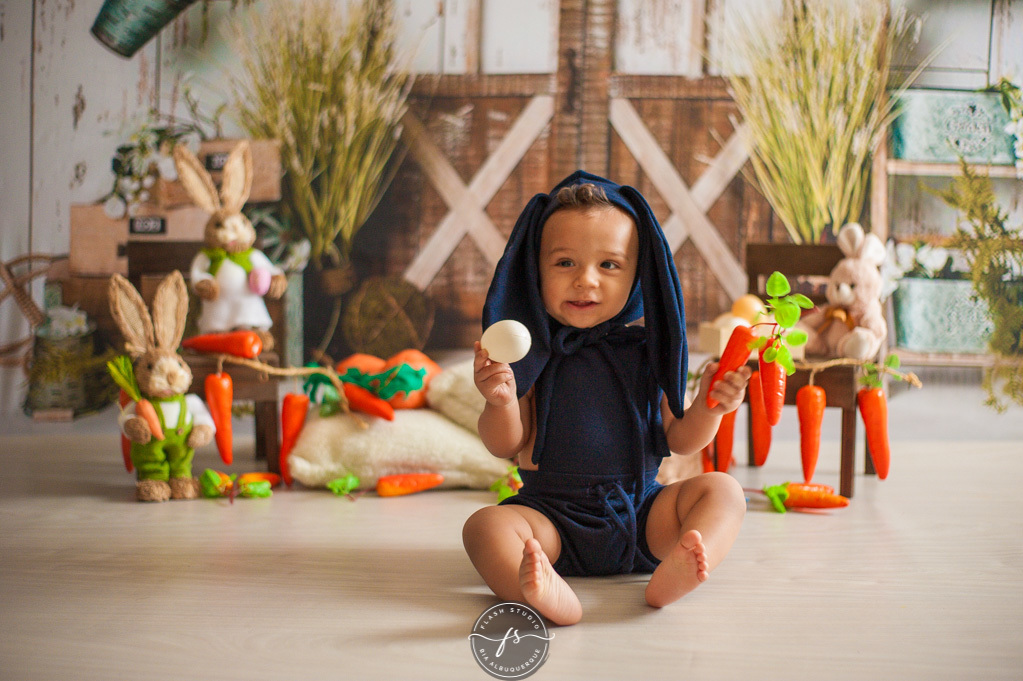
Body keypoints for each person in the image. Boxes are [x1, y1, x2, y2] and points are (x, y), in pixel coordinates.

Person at [463, 171, 750, 626]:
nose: (586, 281)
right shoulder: (533, 352)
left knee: (725, 492)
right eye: (565, 263)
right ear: (535, 270)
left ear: (638, 275)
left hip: (643, 515)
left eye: (609, 265)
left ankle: (680, 567)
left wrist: (710, 405)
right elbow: (505, 444)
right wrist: (500, 400)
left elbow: (680, 440)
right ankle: (540, 590)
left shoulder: (649, 351)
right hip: (550, 522)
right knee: (483, 528)